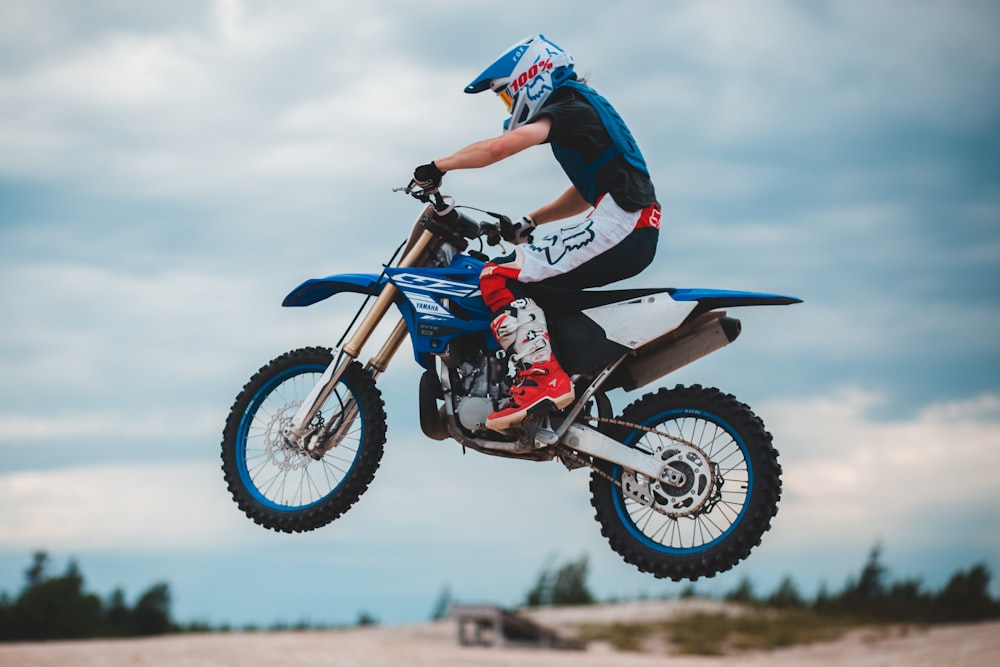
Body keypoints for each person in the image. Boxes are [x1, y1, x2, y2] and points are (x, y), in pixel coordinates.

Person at [412, 34, 660, 431]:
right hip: (627, 222)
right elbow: (585, 192)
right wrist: (530, 222)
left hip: (622, 222)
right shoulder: (582, 108)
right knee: (527, 278)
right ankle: (559, 376)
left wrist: (439, 166)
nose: (510, 107)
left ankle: (544, 379)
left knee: (497, 275)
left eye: (508, 96)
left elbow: (500, 148)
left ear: (532, 76)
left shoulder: (568, 105)